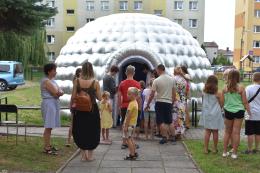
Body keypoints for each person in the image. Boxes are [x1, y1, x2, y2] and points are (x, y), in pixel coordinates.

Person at [71, 62, 102, 161]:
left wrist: (73, 107)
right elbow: (99, 98)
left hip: (80, 110)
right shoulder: (95, 82)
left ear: (82, 69)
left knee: (81, 130)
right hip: (92, 109)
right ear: (92, 70)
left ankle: (83, 155)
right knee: (93, 131)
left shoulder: (77, 81)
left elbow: (73, 96)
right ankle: (90, 156)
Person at [221, 69, 251, 159]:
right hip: (239, 111)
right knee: (236, 132)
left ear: (229, 76)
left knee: (227, 132)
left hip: (228, 111)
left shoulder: (224, 88)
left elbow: (222, 102)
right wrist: (249, 111)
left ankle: (225, 152)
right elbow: (245, 102)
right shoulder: (241, 88)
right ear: (238, 77)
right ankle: (234, 153)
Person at [145, 64, 177, 144]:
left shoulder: (156, 80)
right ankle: (173, 137)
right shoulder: (172, 79)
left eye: (156, 70)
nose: (156, 72)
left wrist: (148, 104)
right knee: (169, 121)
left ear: (159, 70)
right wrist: (172, 102)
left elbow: (152, 94)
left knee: (161, 121)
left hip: (159, 102)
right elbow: (174, 93)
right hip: (168, 102)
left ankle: (164, 137)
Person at [41, 63, 64, 155]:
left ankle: (48, 145)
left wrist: (58, 92)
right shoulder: (46, 81)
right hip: (49, 104)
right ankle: (46, 147)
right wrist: (58, 92)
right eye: (54, 70)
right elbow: (56, 92)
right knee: (48, 126)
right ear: (49, 71)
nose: (56, 72)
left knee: (50, 126)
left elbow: (60, 91)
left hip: (53, 103)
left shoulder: (52, 81)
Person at [199, 75, 224, 154]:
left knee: (207, 131)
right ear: (216, 82)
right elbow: (222, 104)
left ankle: (206, 149)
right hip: (215, 113)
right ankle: (214, 149)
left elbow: (203, 102)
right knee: (215, 131)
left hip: (206, 112)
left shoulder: (204, 91)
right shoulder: (218, 92)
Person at [118, 65, 141, 149]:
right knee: (132, 124)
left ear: (126, 72)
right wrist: (139, 108)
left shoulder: (122, 83)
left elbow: (119, 97)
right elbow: (139, 97)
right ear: (134, 73)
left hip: (124, 106)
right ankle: (131, 142)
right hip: (134, 107)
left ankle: (124, 143)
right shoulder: (137, 84)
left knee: (125, 124)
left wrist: (119, 107)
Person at [244, 72, 260, 154]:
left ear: (253, 79)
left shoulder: (248, 88)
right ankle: (257, 148)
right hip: (259, 114)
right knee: (258, 132)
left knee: (250, 132)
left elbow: (245, 100)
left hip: (249, 113)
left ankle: (249, 149)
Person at [66, 68, 82, 147]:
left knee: (72, 123)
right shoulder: (80, 82)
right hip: (79, 104)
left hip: (74, 104)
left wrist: (70, 104)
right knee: (77, 124)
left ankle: (69, 140)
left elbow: (72, 96)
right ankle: (74, 141)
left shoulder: (75, 81)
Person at [123, 87, 139, 160]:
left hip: (129, 125)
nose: (127, 95)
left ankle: (132, 155)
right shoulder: (135, 102)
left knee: (128, 140)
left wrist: (125, 126)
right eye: (127, 93)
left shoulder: (131, 104)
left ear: (134, 95)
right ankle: (134, 153)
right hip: (133, 124)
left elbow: (128, 116)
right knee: (131, 139)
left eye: (129, 94)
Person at [172, 67, 187, 137]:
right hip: (182, 100)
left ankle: (174, 132)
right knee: (181, 116)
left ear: (175, 71)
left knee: (174, 116)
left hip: (175, 100)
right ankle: (180, 132)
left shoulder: (173, 79)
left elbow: (172, 90)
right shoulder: (184, 80)